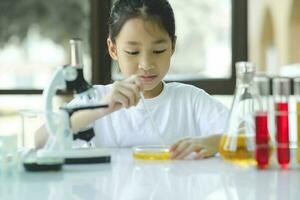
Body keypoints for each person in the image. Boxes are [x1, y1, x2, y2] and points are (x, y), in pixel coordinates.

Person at [35, 0, 229, 160]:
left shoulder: (190, 101)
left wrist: (211, 143)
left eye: (158, 50)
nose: (146, 64)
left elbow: (249, 136)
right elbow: (40, 140)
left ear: (173, 46)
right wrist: (101, 108)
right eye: (133, 52)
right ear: (113, 49)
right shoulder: (97, 99)